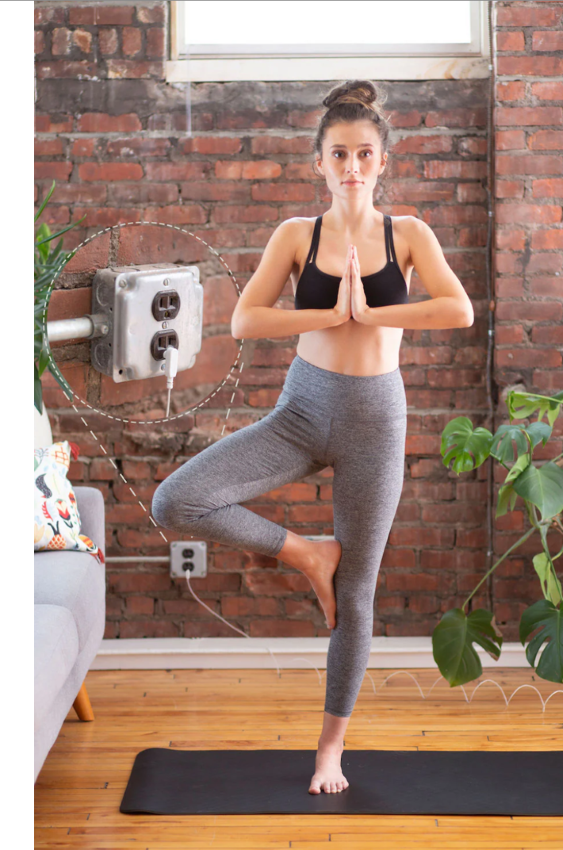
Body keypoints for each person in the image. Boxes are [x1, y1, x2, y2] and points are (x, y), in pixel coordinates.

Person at [151, 80, 473, 795]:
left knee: (356, 595)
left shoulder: (408, 235)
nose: (352, 166)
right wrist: (331, 316)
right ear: (319, 163)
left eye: (365, 153)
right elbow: (244, 321)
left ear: (382, 160)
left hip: (376, 421)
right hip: (302, 410)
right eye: (339, 154)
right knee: (177, 500)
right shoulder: (296, 235)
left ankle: (330, 751)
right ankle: (306, 554)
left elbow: (459, 310)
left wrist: (378, 312)